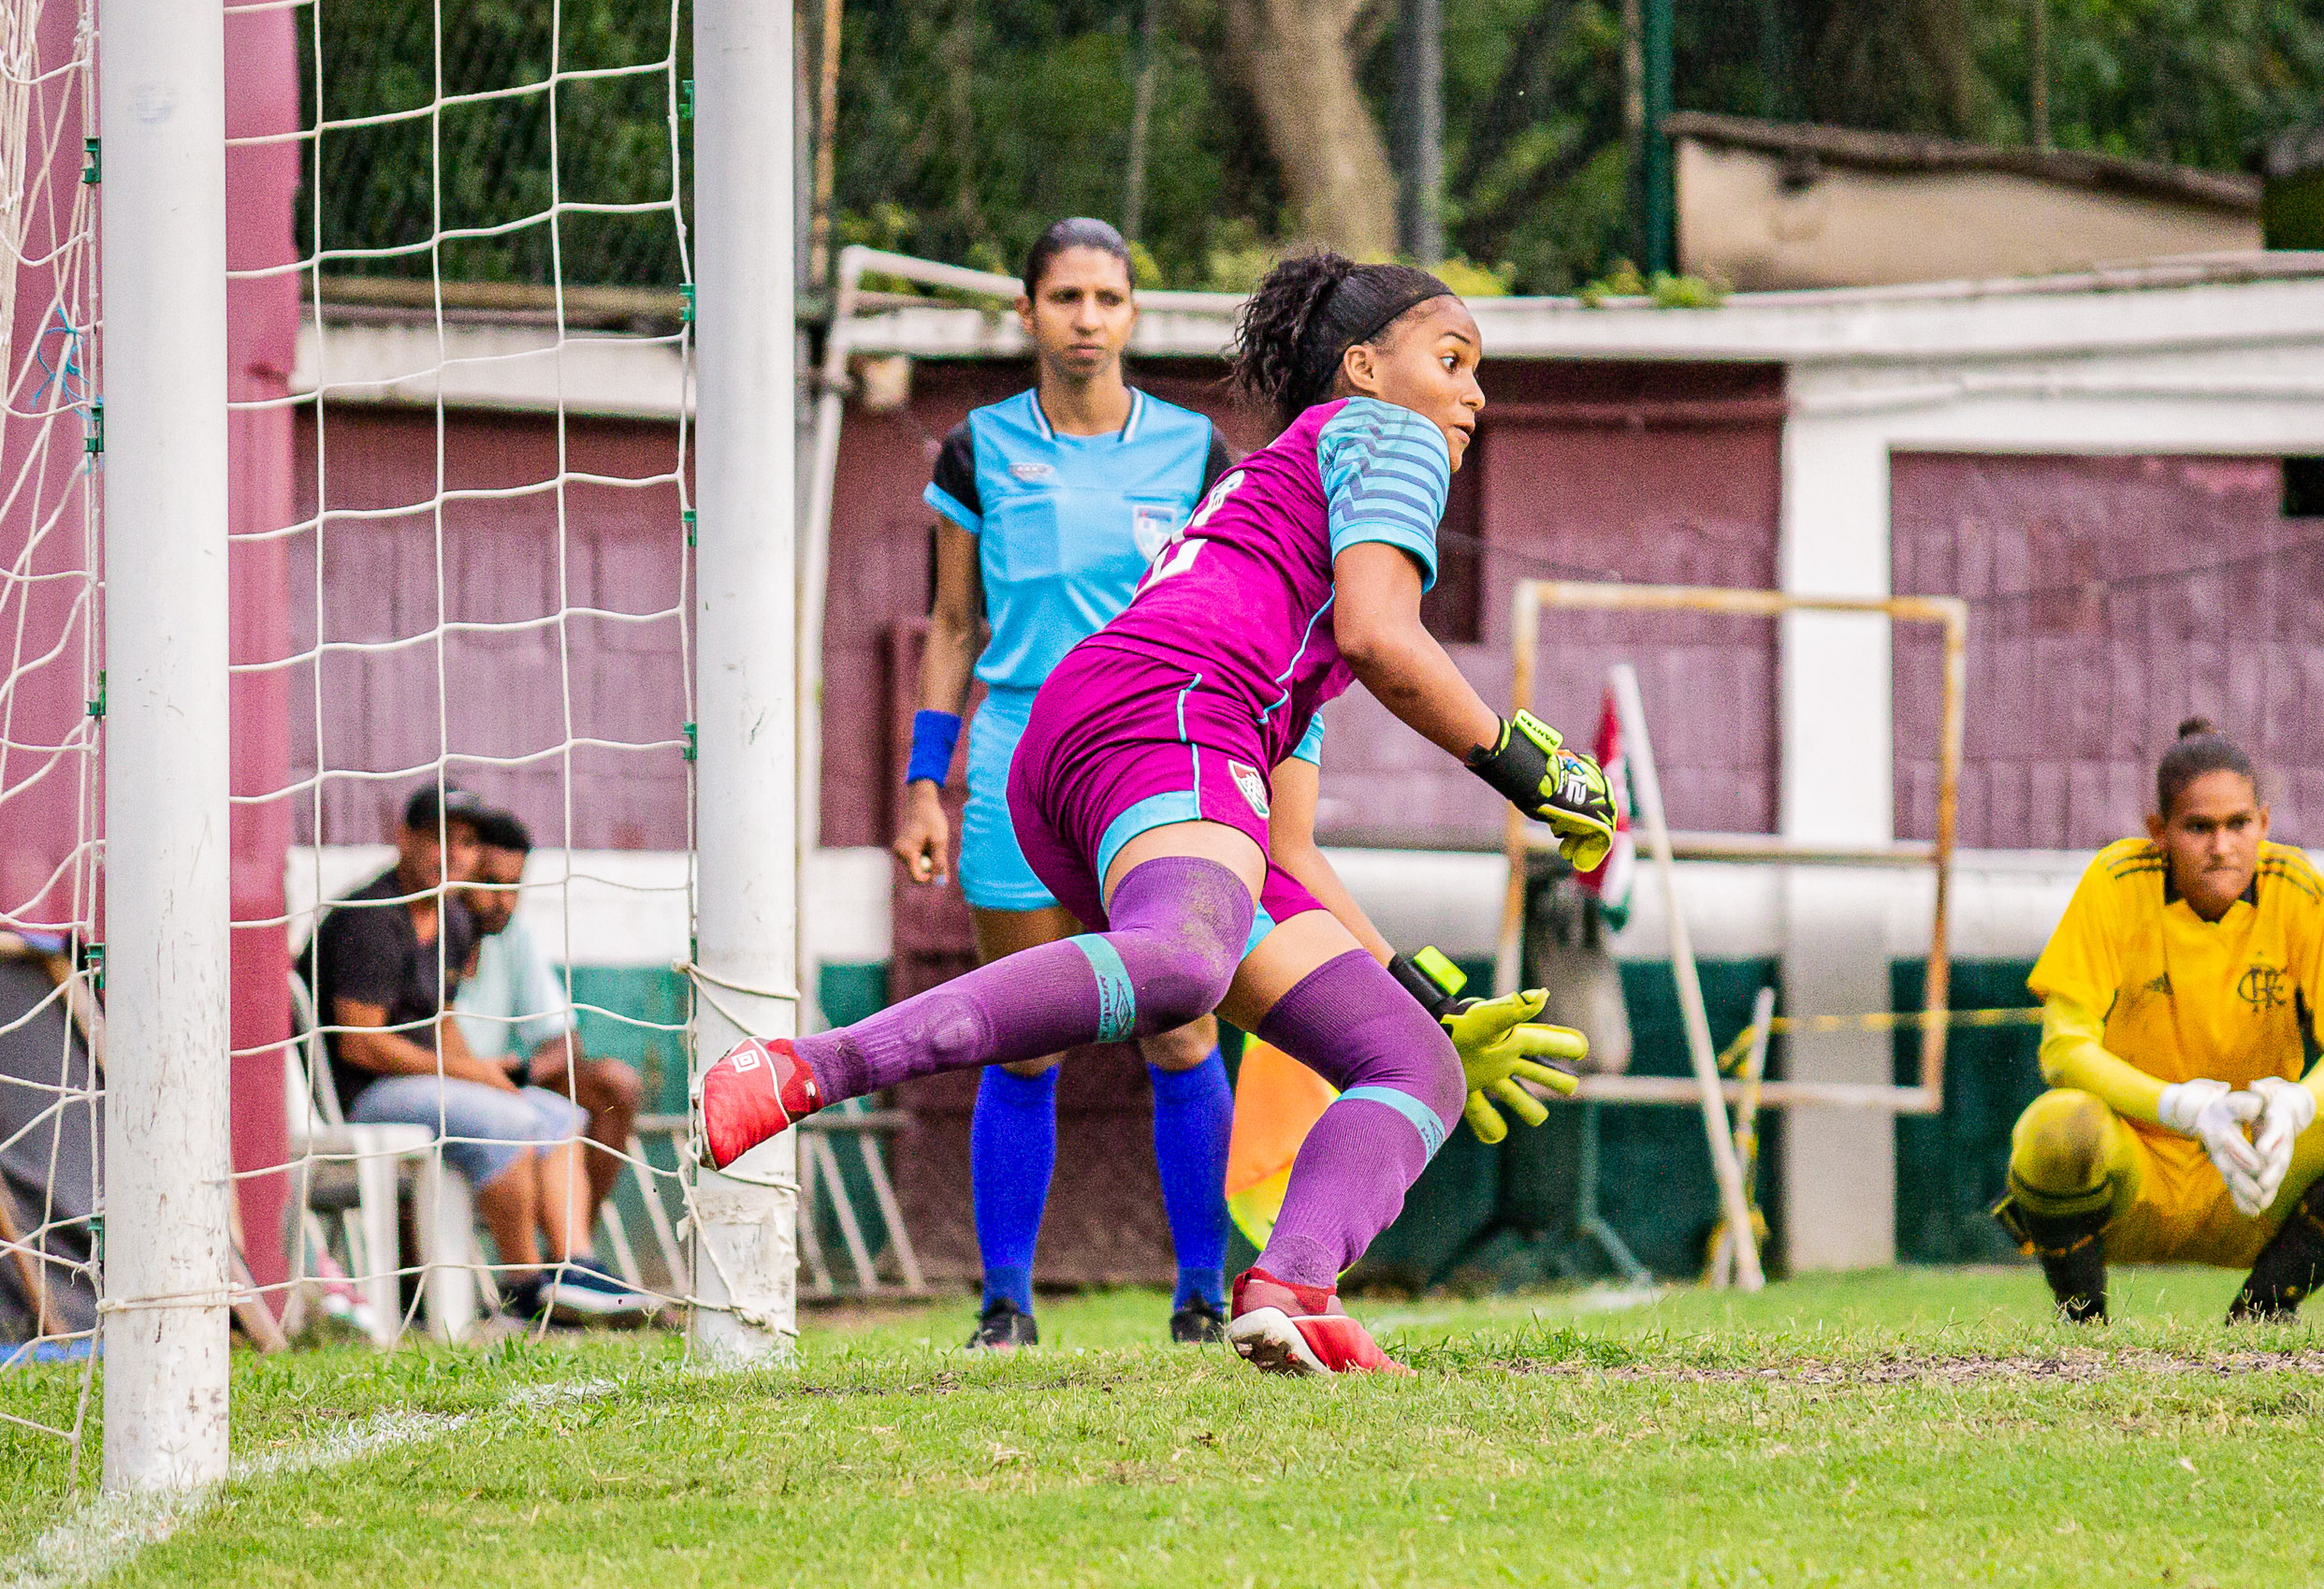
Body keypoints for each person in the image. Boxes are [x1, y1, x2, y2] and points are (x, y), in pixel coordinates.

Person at [700, 250, 1602, 1374]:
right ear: (1363, 370)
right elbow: (1385, 634)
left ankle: (1292, 1288)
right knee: (1180, 967)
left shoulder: (1282, 561)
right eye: (1453, 360)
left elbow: (1288, 852)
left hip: (1119, 746)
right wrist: (1530, 762)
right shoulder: (1383, 434)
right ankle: (810, 1066)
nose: (1473, 394)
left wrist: (1417, 989)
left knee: (1413, 1063)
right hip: (1163, 717)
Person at [893, 216, 1249, 1349]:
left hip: (1150, 766)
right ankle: (1005, 1306)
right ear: (1027, 313)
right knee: (1026, 1036)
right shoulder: (977, 451)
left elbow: (1231, 610)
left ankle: (1202, 1295)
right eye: (1065, 298)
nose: (1087, 319)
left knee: (1181, 1026)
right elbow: (953, 626)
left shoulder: (1195, 452)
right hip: (1012, 768)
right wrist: (922, 783)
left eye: (1108, 298)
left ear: (1134, 314)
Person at [1995, 720, 2324, 1323]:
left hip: (2257, 1176)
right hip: (2134, 1177)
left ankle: (2261, 1317)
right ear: (2160, 833)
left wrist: (2298, 1106)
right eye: (2198, 827)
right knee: (2057, 1129)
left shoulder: (2297, 888)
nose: (2221, 847)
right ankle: (2083, 1326)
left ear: (2264, 823)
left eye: (2238, 824)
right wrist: (2182, 1108)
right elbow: (2064, 1049)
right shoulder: (2116, 881)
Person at [307, 785, 641, 1324]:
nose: (450, 854)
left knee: (556, 1115)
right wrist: (469, 1073)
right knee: (504, 1119)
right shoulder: (370, 916)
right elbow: (358, 1041)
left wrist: (482, 1074)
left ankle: (574, 1268)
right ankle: (524, 1287)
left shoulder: (451, 921)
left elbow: (442, 1025)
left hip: (419, 1087)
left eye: (463, 843)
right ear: (405, 839)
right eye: (437, 838)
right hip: (358, 1098)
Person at [447, 806, 647, 1283]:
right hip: (435, 1084)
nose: (505, 902)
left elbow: (563, 1041)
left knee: (612, 1086)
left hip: (500, 1086)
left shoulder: (510, 937)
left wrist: (515, 1075)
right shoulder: (420, 933)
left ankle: (572, 1261)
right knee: (513, 1115)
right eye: (491, 884)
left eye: (515, 888)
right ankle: (462, 1281)